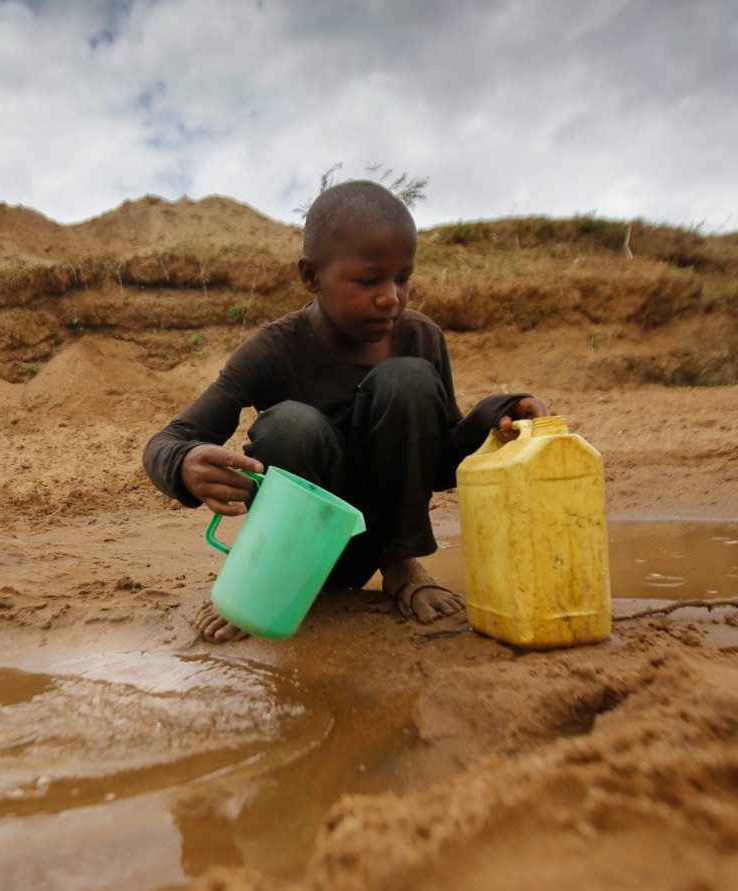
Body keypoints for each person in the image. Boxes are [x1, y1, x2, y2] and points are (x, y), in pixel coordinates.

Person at [141, 179, 548, 642]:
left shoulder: (420, 338)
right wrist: (184, 463)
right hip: (301, 543)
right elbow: (166, 442)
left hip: (383, 539)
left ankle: (402, 567)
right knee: (290, 424)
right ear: (311, 276)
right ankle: (273, 579)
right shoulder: (273, 350)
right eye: (369, 280)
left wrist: (496, 416)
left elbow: (438, 465)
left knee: (408, 380)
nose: (391, 297)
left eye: (402, 278)